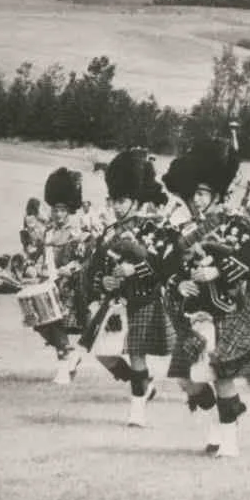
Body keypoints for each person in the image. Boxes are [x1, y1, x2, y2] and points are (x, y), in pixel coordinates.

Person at [159, 139, 250, 456]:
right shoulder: (185, 229)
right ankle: (218, 417)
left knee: (222, 376)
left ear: (218, 194)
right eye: (194, 193)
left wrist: (218, 273)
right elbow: (169, 264)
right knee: (185, 378)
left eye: (204, 193)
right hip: (194, 312)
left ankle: (229, 438)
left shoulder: (239, 223)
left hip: (228, 310)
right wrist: (179, 283)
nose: (197, 199)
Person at [74, 149, 172, 428]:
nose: (116, 206)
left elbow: (160, 268)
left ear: (135, 200)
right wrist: (103, 282)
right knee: (104, 353)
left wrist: (134, 270)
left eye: (122, 200)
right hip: (115, 303)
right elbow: (97, 270)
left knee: (137, 354)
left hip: (142, 300)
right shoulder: (108, 232)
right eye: (114, 201)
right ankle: (143, 386)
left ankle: (137, 409)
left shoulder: (151, 229)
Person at [29, 169, 91, 384]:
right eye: (55, 210)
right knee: (40, 323)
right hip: (47, 281)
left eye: (62, 210)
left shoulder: (76, 232)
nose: (58, 214)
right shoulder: (48, 232)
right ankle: (68, 356)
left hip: (67, 285)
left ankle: (64, 368)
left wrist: (70, 269)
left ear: (69, 211)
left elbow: (85, 259)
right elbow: (39, 255)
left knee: (57, 324)